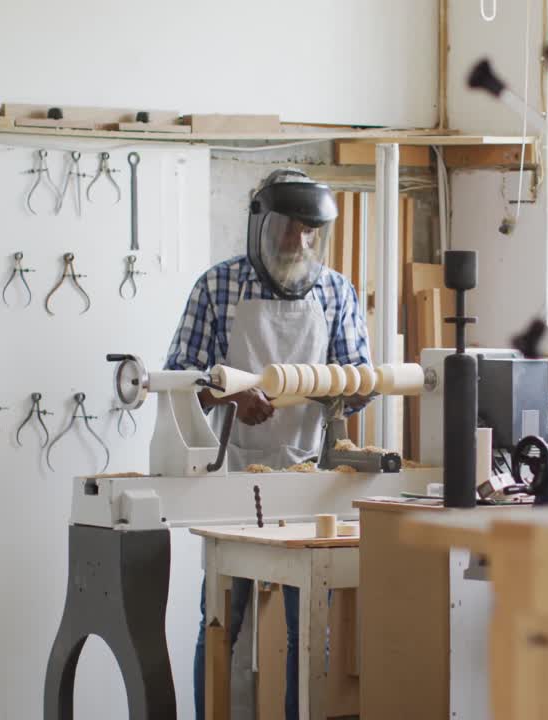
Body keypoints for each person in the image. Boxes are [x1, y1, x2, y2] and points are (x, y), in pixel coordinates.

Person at [164, 169, 370, 719]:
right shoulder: (218, 287)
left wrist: (331, 393)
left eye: (309, 231)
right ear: (261, 223)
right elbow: (180, 381)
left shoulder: (336, 292)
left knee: (312, 630)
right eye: (287, 228)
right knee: (221, 625)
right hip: (232, 482)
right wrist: (232, 396)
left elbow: (361, 385)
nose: (297, 242)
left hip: (310, 484)